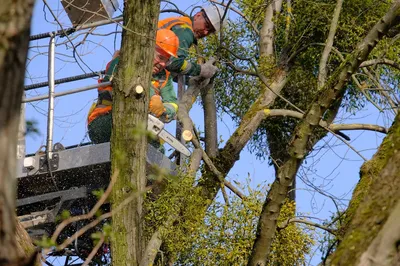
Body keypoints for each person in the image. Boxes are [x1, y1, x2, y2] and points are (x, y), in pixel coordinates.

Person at [87, 29, 179, 144]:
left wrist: (164, 110)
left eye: (166, 61)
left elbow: (173, 103)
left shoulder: (164, 77)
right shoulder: (123, 61)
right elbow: (129, 80)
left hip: (139, 124)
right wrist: (150, 97)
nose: (162, 64)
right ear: (149, 50)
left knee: (157, 148)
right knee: (134, 123)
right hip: (105, 120)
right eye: (160, 58)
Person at [158, 5, 227, 79]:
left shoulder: (182, 23)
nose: (206, 32)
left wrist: (193, 81)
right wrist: (200, 70)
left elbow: (168, 67)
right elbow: (173, 63)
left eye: (210, 31)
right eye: (206, 25)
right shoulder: (185, 31)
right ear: (198, 15)